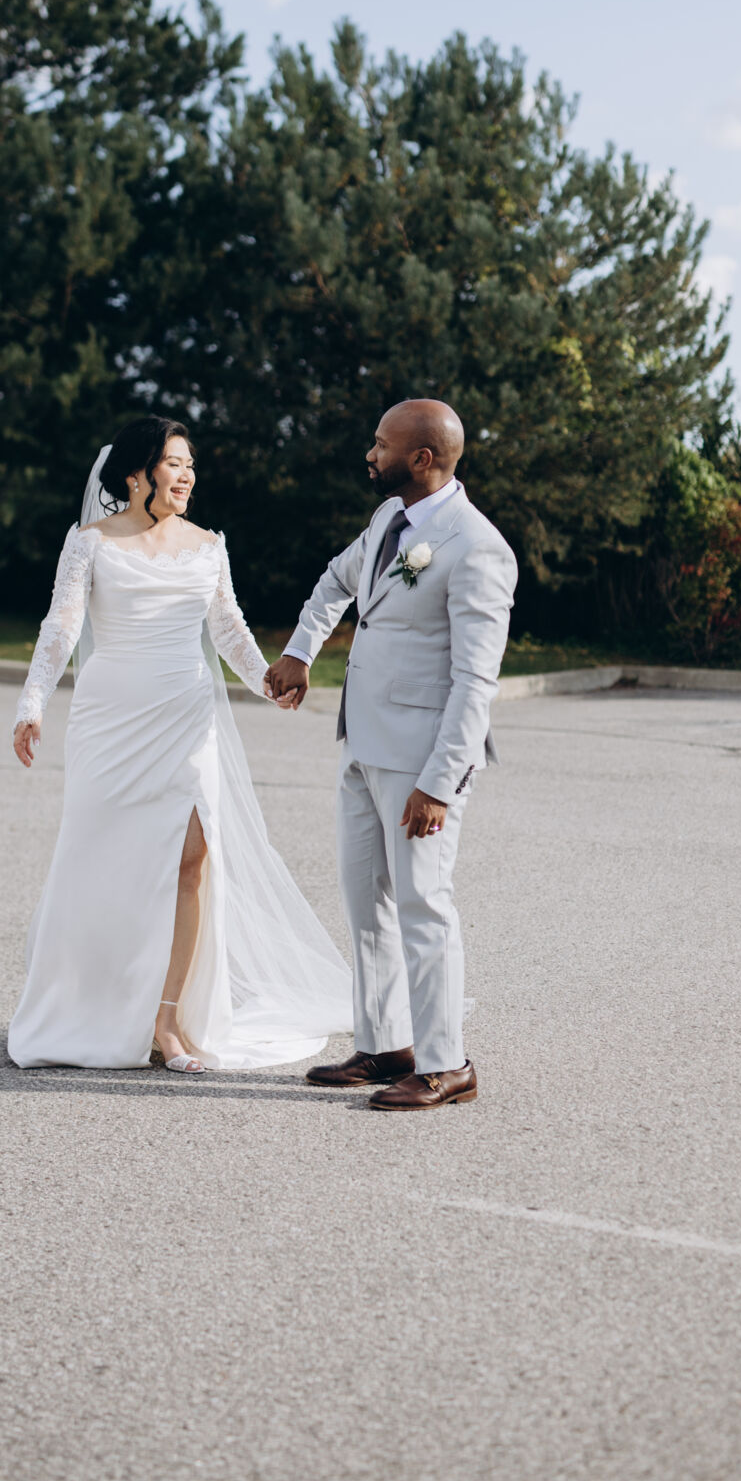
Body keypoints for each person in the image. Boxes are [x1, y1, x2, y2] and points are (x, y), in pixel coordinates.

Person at [9, 416, 352, 1073]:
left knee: (194, 859)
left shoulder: (208, 545)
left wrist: (268, 680)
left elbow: (228, 627)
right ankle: (101, 1007)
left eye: (191, 463)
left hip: (187, 718)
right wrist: (32, 704)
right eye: (174, 462)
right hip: (111, 722)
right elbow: (61, 626)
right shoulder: (90, 543)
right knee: (103, 864)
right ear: (137, 474)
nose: (187, 474)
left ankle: (168, 1021)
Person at [265, 400, 517, 1111]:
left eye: (381, 444)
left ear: (422, 458)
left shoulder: (477, 547)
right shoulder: (387, 521)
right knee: (365, 903)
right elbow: (336, 581)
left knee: (422, 905)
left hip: (421, 763)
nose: (370, 454)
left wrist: (440, 783)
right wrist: (300, 650)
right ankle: (384, 1046)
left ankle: (446, 1064)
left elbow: (475, 682)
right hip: (361, 746)